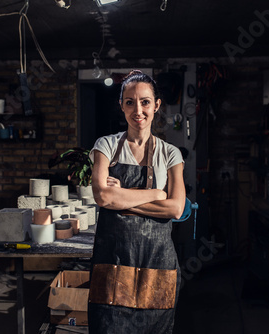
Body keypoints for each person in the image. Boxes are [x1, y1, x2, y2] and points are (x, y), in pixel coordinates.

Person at [87, 70, 186, 333]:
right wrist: (156, 195)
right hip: (113, 263)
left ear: (156, 105)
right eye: (130, 102)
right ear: (121, 106)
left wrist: (122, 199)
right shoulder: (105, 146)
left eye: (144, 101)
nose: (138, 110)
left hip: (157, 263)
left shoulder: (171, 154)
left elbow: (176, 208)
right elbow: (103, 195)